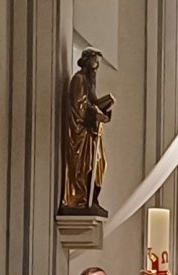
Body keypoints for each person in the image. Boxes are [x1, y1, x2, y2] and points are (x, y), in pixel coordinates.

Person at [59, 48, 115, 217]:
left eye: (97, 65)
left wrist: (105, 107)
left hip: (91, 132)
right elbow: (80, 106)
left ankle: (93, 199)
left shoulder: (89, 82)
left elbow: (92, 102)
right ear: (88, 62)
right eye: (95, 63)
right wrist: (95, 113)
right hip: (81, 133)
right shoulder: (79, 80)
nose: (96, 69)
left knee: (100, 165)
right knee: (85, 165)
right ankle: (80, 199)